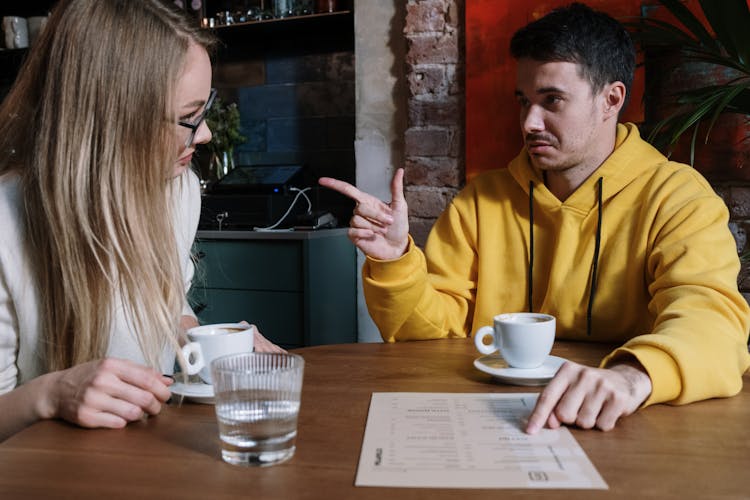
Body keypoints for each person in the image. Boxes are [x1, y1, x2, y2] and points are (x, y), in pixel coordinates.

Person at [320, 3, 750, 433]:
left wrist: (633, 376)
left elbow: (711, 320)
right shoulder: (480, 201)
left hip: (624, 422)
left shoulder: (678, 199)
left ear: (611, 99)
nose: (529, 122)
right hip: (486, 418)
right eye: (524, 101)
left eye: (552, 101)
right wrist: (395, 260)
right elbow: (430, 333)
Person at [0, 0, 281, 441]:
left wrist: (206, 341)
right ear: (112, 121)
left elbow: (164, 306)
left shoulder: (177, 189)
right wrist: (51, 394)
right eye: (189, 118)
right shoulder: (5, 223)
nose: (205, 134)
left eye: (204, 109)